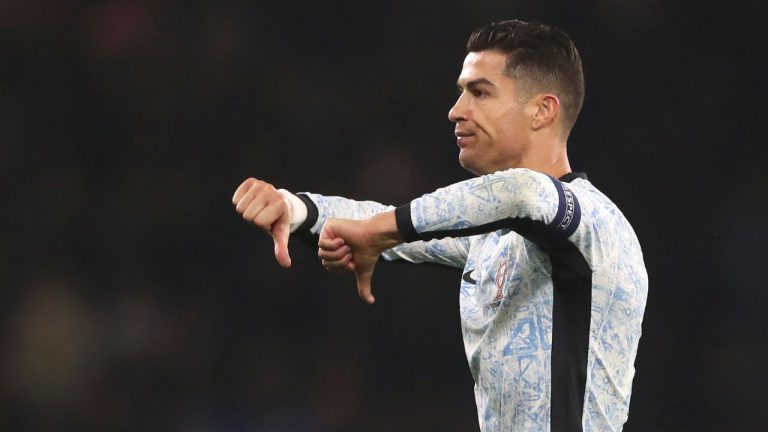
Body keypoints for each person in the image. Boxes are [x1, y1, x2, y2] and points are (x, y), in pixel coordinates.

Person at [232, 20, 648, 432]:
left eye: (480, 92)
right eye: (461, 92)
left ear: (543, 109)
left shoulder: (594, 222)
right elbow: (376, 219)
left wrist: (382, 229)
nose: (456, 111)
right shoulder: (493, 239)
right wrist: (295, 207)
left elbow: (524, 194)